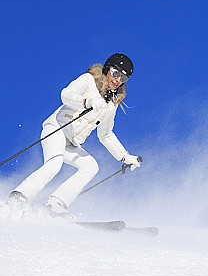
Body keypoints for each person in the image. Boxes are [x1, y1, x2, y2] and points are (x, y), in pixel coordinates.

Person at [9, 53, 141, 216]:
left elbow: (105, 134)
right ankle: (19, 196)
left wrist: (125, 156)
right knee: (54, 164)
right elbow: (65, 94)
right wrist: (86, 102)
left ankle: (56, 204)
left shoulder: (110, 105)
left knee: (91, 166)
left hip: (71, 143)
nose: (118, 80)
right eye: (115, 73)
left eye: (124, 78)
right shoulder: (88, 80)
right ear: (107, 70)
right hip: (56, 129)